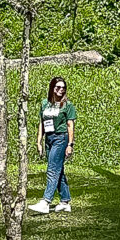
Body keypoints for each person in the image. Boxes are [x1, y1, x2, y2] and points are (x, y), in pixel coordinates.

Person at [31, 75, 76, 215]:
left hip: (61, 138)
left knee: (52, 170)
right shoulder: (45, 103)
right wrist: (39, 141)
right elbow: (42, 123)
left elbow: (70, 125)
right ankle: (65, 201)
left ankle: (46, 201)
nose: (61, 90)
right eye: (58, 87)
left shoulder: (68, 105)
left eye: (63, 88)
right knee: (58, 170)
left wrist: (70, 144)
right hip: (49, 139)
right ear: (52, 88)